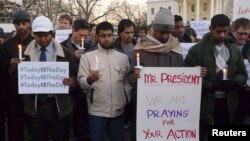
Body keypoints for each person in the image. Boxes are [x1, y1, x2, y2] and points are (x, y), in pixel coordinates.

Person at [185, 14, 247, 141]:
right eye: (218, 31)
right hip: (205, 104)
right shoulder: (196, 50)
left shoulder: (234, 50)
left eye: (225, 31)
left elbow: (243, 74)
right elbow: (186, 77)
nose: (222, 35)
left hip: (228, 103)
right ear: (210, 29)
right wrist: (209, 85)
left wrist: (234, 83)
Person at [128, 8, 187, 141]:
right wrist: (135, 76)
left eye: (168, 32)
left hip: (171, 106)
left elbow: (182, 73)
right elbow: (129, 76)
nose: (165, 36)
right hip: (146, 106)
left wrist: (194, 73)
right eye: (162, 32)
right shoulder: (141, 48)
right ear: (154, 29)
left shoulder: (175, 47)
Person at [22, 16, 78, 141]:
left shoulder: (66, 53)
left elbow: (76, 77)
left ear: (52, 34)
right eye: (39, 36)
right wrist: (15, 68)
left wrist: (72, 82)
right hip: (35, 107)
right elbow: (19, 81)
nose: (42, 39)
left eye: (46, 35)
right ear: (33, 34)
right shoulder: (25, 54)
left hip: (59, 106)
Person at [77, 21, 131, 141]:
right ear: (97, 36)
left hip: (118, 111)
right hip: (97, 111)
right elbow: (81, 81)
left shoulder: (122, 57)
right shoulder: (87, 56)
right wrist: (89, 80)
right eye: (103, 35)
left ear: (113, 36)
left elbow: (127, 81)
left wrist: (126, 97)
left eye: (109, 35)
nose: (107, 39)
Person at [0, 10, 34, 141]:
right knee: (15, 129)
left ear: (29, 25)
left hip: (32, 96)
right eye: (18, 24)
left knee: (35, 129)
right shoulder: (6, 46)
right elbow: (1, 69)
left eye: (24, 23)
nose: (21, 27)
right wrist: (10, 65)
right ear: (14, 25)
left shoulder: (36, 43)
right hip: (13, 97)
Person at [61, 18, 91, 141]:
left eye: (85, 35)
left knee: (84, 126)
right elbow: (59, 68)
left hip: (86, 92)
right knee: (66, 125)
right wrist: (74, 58)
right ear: (73, 30)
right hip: (69, 93)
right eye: (80, 34)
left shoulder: (90, 47)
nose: (83, 38)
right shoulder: (62, 46)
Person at [230, 17, 250, 124]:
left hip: (246, 95)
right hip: (229, 92)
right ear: (233, 32)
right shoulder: (225, 47)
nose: (243, 37)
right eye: (240, 33)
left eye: (246, 34)